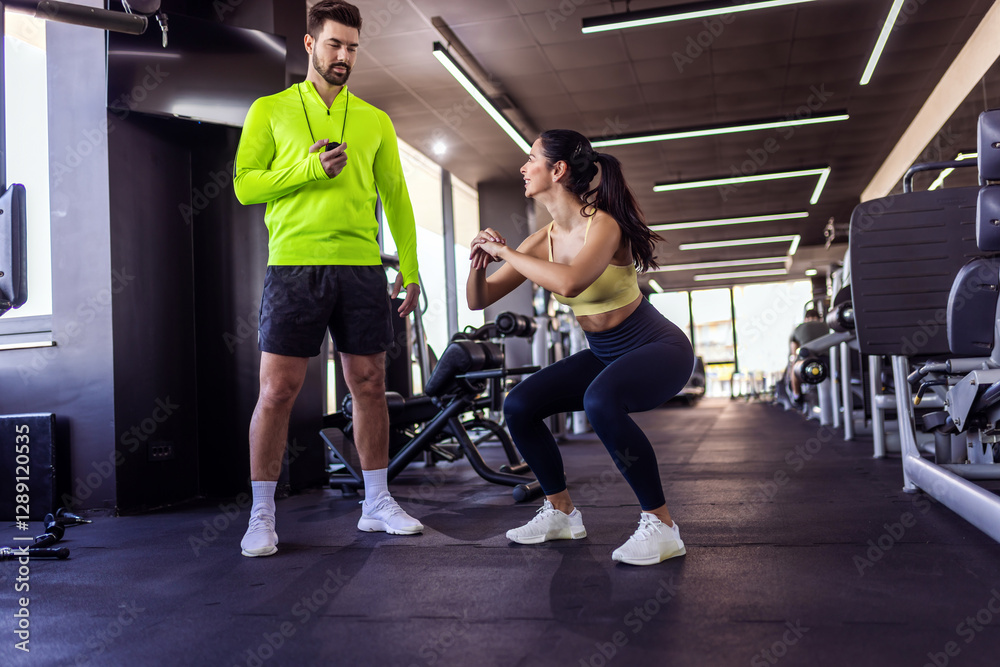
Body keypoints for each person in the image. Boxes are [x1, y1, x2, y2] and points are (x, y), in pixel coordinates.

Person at [233, 0, 423, 558]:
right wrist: (310, 169)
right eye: (335, 44)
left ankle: (377, 503)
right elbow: (246, 184)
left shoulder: (375, 120)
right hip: (295, 264)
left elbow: (398, 199)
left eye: (353, 47)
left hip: (362, 267)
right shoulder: (269, 110)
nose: (345, 56)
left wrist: (410, 269)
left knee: (368, 385)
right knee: (278, 390)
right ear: (311, 44)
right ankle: (262, 515)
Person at [466, 130, 695, 566]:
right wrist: (478, 260)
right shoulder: (543, 238)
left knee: (600, 400)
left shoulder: (603, 224)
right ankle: (561, 512)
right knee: (519, 405)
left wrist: (506, 252)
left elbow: (570, 281)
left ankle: (662, 525)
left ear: (558, 170)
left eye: (531, 158)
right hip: (605, 351)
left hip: (658, 347)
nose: (522, 167)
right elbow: (479, 299)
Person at [787, 309, 829, 401]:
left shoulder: (799, 327)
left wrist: (794, 357)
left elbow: (794, 347)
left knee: (794, 368)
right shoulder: (826, 326)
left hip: (808, 362)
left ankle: (797, 396)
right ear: (819, 318)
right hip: (828, 361)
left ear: (806, 319)